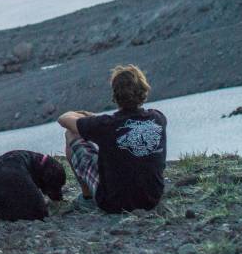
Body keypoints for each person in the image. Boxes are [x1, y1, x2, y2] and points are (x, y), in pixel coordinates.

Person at [57, 65, 167, 214]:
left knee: (72, 134)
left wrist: (82, 115)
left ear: (116, 95)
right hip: (152, 199)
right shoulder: (158, 118)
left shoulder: (106, 125)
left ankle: (87, 198)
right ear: (143, 90)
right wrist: (95, 119)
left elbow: (63, 119)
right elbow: (124, 123)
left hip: (114, 203)